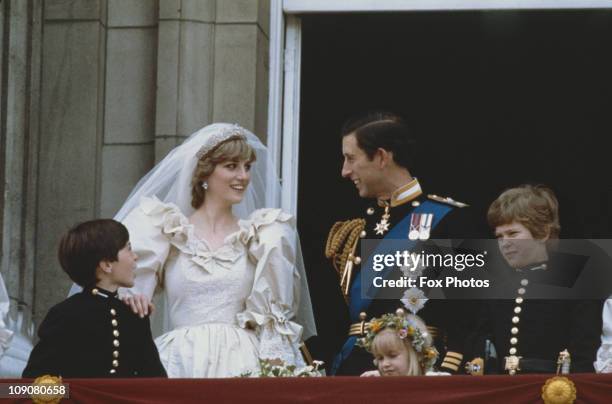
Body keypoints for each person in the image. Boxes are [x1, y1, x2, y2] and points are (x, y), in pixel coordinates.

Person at [115, 123, 316, 378]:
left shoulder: (260, 235)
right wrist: (131, 298)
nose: (243, 176)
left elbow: (272, 322)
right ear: (204, 174)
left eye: (247, 167)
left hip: (244, 362)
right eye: (231, 166)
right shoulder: (166, 231)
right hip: (180, 362)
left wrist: (277, 373)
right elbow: (130, 299)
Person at [328, 111, 482, 375]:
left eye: (351, 158)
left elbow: (468, 315)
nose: (344, 171)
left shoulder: (450, 221)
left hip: (417, 371)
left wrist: (446, 370)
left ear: (381, 157)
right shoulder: (356, 229)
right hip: (355, 372)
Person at [465, 184, 603, 374]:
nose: (504, 243)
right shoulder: (498, 288)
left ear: (543, 233)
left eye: (513, 233)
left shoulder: (576, 281)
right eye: (499, 236)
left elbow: (584, 355)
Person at [23, 219, 167, 378]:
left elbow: (156, 381)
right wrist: (71, 395)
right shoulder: (65, 314)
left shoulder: (133, 315)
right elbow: (31, 384)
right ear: (107, 265)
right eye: (129, 248)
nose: (135, 256)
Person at [359, 309, 438, 377]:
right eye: (380, 358)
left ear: (418, 354)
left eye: (392, 356)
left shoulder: (435, 383)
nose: (385, 364)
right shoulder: (378, 385)